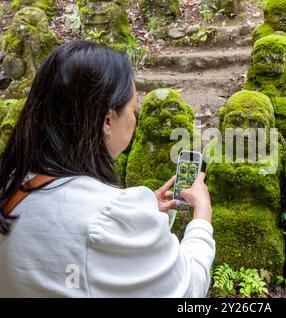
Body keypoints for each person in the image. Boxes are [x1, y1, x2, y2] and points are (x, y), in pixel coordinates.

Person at [0, 41, 215, 297]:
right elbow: (187, 289)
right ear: (107, 120)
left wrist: (136, 217)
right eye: (133, 110)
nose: (135, 120)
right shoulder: (113, 215)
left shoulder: (10, 187)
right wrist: (202, 216)